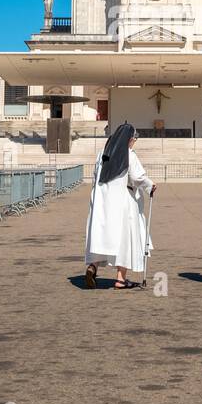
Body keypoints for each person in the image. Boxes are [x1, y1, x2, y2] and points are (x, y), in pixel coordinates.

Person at [84, 123, 155, 290]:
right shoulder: (129, 154)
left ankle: (93, 266)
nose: (133, 143)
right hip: (123, 201)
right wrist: (151, 186)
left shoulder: (103, 154)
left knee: (102, 235)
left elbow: (95, 175)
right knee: (125, 238)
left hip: (102, 201)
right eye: (133, 140)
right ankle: (120, 278)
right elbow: (137, 178)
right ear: (129, 139)